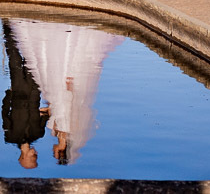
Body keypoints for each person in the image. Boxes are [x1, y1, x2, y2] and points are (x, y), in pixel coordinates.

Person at [9, 18, 125, 165]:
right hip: (61, 92)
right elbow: (67, 107)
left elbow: (52, 111)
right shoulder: (64, 128)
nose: (53, 152)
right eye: (55, 154)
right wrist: (69, 88)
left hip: (55, 95)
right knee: (57, 63)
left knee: (49, 62)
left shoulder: (57, 132)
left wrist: (37, 110)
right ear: (61, 152)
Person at [1, 19, 50, 169]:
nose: (36, 153)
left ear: (23, 156)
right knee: (31, 58)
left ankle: (7, 25)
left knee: (14, 55)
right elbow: (46, 115)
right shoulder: (39, 133)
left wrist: (9, 94)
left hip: (18, 91)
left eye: (33, 157)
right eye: (36, 156)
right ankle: (31, 27)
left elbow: (5, 113)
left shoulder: (11, 136)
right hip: (34, 91)